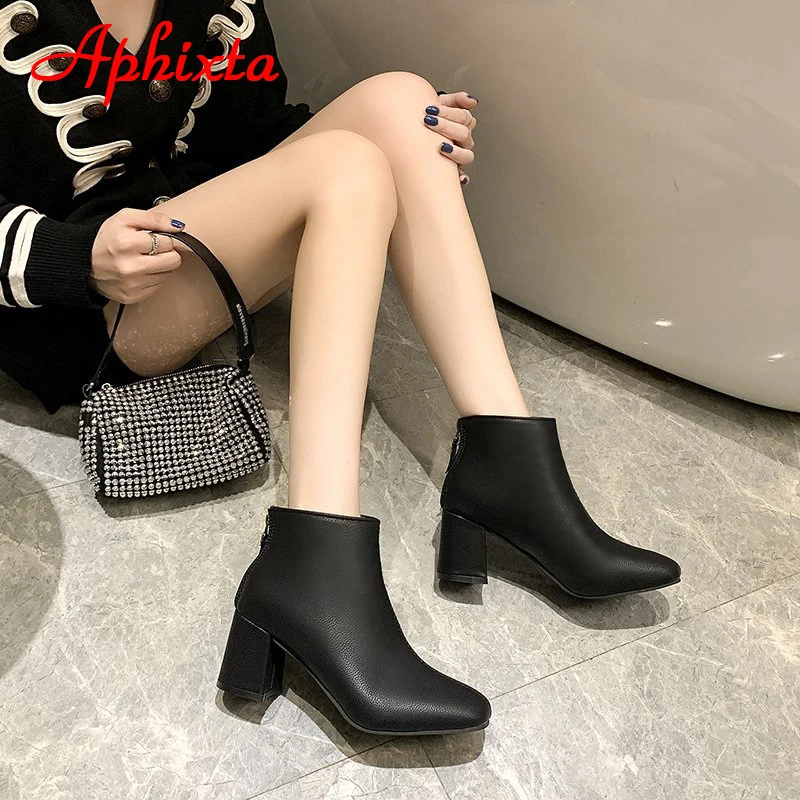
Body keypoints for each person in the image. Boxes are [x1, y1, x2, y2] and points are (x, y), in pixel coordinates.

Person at [0, 0, 681, 736]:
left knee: (403, 104)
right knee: (350, 163)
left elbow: (259, 136)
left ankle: (509, 463)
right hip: (91, 304)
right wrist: (73, 259)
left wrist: (416, 158)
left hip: (196, 241)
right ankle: (312, 566)